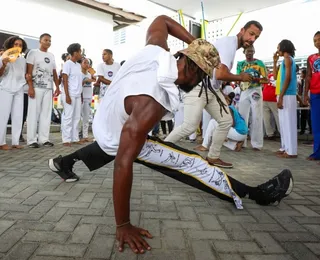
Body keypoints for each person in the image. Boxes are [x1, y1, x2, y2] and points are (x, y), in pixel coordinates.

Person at [48, 15, 293, 254]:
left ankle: (64, 162)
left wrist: (195, 43)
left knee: (112, 143)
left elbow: (162, 20)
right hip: (115, 129)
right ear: (192, 66)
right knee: (190, 163)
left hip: (109, 115)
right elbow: (123, 163)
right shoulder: (150, 103)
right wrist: (123, 224)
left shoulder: (156, 49)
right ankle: (257, 194)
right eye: (201, 77)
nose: (199, 83)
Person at [165, 20, 263, 168]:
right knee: (189, 126)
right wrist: (240, 77)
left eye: (256, 37)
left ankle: (213, 156)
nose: (252, 39)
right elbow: (221, 74)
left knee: (225, 121)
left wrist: (220, 92)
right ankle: (160, 149)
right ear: (242, 30)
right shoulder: (229, 43)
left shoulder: (231, 46)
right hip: (199, 87)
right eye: (251, 34)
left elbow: (216, 74)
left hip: (211, 89)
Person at [26, 33, 60, 148]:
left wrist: (57, 87)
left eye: (50, 40)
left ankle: (44, 139)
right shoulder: (33, 53)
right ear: (40, 41)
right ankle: (31, 140)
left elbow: (54, 72)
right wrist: (30, 87)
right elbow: (28, 72)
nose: (48, 42)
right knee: (33, 113)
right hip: (36, 87)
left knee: (46, 114)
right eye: (46, 40)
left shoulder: (51, 55)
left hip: (48, 88)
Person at [237, 45, 268, 150]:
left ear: (254, 51)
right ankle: (242, 141)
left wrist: (255, 79)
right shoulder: (240, 64)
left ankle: (257, 144)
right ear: (244, 52)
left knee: (257, 116)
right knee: (242, 116)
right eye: (248, 51)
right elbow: (238, 78)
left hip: (256, 90)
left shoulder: (259, 63)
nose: (250, 53)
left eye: (251, 51)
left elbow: (266, 80)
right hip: (244, 90)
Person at [0, 36, 28, 150]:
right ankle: (1, 143)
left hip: (19, 89)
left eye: (20, 45)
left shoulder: (22, 59)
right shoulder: (3, 56)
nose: (18, 47)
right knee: (3, 116)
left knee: (18, 115)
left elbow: (24, 74)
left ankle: (15, 141)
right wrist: (4, 63)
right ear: (10, 45)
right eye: (16, 44)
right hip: (6, 88)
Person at [273, 40, 298, 158]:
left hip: (287, 94)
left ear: (284, 48)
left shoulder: (288, 59)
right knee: (283, 123)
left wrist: (281, 96)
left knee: (289, 123)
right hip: (283, 93)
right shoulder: (284, 60)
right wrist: (274, 62)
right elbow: (275, 76)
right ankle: (285, 147)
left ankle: (291, 151)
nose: (277, 50)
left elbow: (288, 78)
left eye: (278, 48)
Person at [61, 43, 83, 146]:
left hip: (78, 95)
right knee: (68, 117)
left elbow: (79, 81)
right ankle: (66, 139)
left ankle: (75, 138)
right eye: (80, 51)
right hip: (70, 94)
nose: (81, 53)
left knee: (77, 117)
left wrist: (81, 95)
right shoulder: (67, 64)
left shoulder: (78, 65)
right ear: (75, 53)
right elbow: (65, 80)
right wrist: (67, 95)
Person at [305, 31, 320, 161]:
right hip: (315, 93)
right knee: (316, 124)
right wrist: (305, 94)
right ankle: (317, 152)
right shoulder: (311, 58)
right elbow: (308, 77)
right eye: (315, 40)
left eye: (319, 39)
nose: (317, 42)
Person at [80, 57, 95, 142]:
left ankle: (85, 136)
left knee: (86, 117)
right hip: (80, 97)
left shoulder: (89, 74)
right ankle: (75, 135)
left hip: (88, 97)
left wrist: (93, 74)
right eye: (85, 62)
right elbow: (77, 84)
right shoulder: (79, 74)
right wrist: (84, 81)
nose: (87, 64)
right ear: (81, 64)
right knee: (77, 117)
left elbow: (96, 80)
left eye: (88, 63)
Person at [263, 70, 280, 140]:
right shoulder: (279, 76)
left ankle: (269, 134)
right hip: (273, 97)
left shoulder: (269, 76)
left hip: (264, 96)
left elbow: (264, 85)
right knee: (278, 116)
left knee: (266, 117)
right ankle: (282, 132)